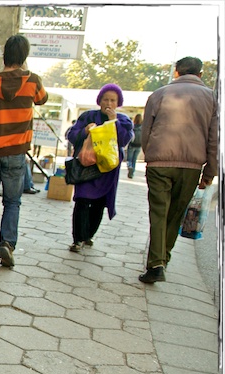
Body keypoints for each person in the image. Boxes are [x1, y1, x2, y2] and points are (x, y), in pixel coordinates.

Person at [0, 34, 48, 267]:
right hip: (16, 152)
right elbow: (42, 99)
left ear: (4, 55)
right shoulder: (33, 81)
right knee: (13, 202)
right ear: (24, 56)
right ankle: (7, 244)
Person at [138, 56, 217, 284]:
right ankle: (162, 259)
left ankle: (156, 264)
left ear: (176, 72)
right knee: (175, 215)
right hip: (191, 167)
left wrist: (151, 154)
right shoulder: (212, 98)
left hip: (159, 163)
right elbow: (214, 139)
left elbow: (146, 131)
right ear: (200, 74)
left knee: (158, 213)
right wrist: (209, 173)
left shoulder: (159, 94)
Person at [67, 83, 134, 253]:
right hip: (86, 165)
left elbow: (124, 140)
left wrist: (113, 122)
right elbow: (72, 135)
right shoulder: (88, 116)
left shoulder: (123, 120)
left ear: (118, 103)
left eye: (113, 100)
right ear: (100, 101)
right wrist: (85, 131)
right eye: (106, 99)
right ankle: (78, 239)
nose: (109, 103)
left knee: (99, 203)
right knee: (82, 200)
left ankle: (88, 234)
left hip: (106, 170)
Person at [126, 114, 143, 178]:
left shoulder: (132, 126)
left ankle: (129, 167)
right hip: (139, 145)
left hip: (131, 145)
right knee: (134, 160)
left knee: (129, 159)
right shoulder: (143, 127)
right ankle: (132, 173)